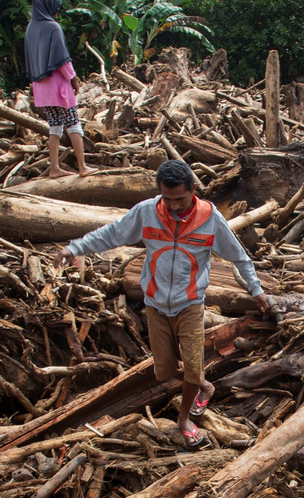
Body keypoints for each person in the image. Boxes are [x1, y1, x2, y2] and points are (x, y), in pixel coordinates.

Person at [54, 159, 270, 448]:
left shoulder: (209, 218)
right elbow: (111, 233)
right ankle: (203, 386)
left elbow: (238, 256)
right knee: (165, 372)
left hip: (190, 304)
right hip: (155, 304)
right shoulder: (147, 212)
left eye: (180, 199)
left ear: (193, 190)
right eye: (167, 199)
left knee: (193, 368)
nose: (174, 206)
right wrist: (75, 247)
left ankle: (185, 419)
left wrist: (256, 289)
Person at [25, 0, 98, 179]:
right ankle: (82, 166)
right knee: (73, 123)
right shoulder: (52, 27)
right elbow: (62, 59)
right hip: (58, 86)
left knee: (55, 126)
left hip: (41, 88)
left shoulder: (31, 28)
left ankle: (55, 168)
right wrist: (73, 79)